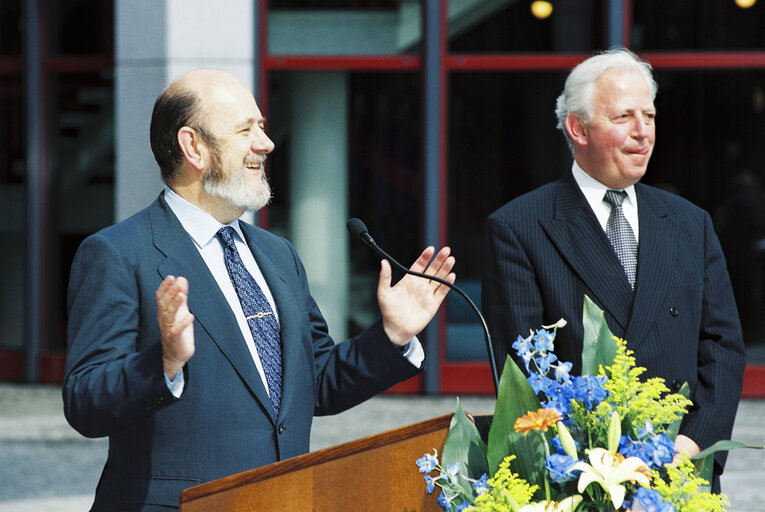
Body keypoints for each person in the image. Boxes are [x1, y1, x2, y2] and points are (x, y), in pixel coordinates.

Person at [63, 69, 456, 511]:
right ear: (194, 146)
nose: (266, 143)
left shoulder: (277, 254)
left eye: (263, 127)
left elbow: (317, 382)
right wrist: (164, 363)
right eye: (246, 130)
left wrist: (391, 337)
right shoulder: (117, 253)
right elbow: (85, 403)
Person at [481, 49, 745, 490]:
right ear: (578, 128)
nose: (643, 133)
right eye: (624, 117)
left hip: (680, 473)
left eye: (650, 115)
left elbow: (723, 346)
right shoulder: (519, 227)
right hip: (583, 481)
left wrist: (686, 447)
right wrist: (600, 464)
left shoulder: (689, 222)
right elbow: (524, 374)